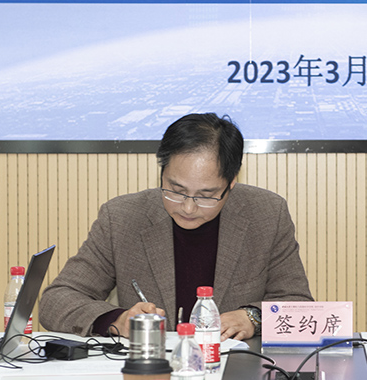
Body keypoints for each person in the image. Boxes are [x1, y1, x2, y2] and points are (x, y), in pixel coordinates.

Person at [39, 113, 312, 339]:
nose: (188, 207)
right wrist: (117, 320)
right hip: (151, 370)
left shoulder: (266, 214)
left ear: (231, 184)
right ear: (162, 172)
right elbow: (57, 299)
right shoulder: (122, 217)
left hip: (235, 370)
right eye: (176, 190)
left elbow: (298, 303)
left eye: (206, 195)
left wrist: (253, 317)